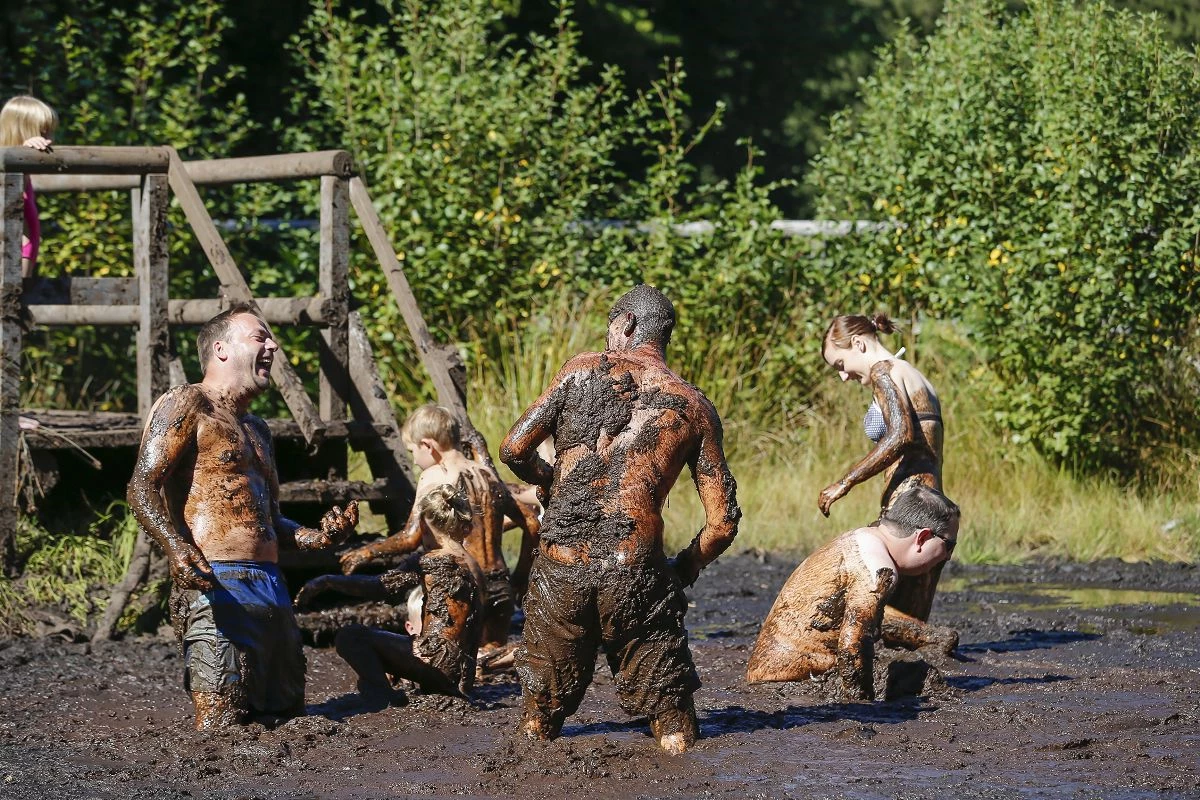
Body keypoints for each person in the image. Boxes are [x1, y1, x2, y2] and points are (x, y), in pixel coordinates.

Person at [500, 284, 741, 754]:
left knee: (539, 712)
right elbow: (723, 522)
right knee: (670, 716)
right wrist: (680, 571)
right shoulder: (692, 405)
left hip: (561, 560)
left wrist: (550, 482)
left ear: (625, 324)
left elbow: (513, 449)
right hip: (633, 565)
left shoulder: (580, 370)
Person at [126, 304, 359, 730]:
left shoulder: (259, 430)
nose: (274, 345)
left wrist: (318, 537)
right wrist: (176, 547)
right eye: (260, 337)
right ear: (221, 349)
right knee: (221, 727)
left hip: (271, 587)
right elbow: (141, 486)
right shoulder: (186, 403)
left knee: (289, 716)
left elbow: (270, 519)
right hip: (217, 584)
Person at [339, 404, 536, 653]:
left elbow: (410, 538)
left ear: (428, 446)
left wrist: (365, 553)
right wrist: (520, 574)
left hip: (463, 583)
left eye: (412, 450)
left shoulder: (434, 476)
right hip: (500, 583)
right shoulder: (486, 473)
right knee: (491, 658)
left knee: (454, 661)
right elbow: (531, 521)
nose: (413, 460)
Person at [747, 485, 960, 700]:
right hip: (789, 682)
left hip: (770, 670)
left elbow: (861, 618)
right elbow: (853, 646)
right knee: (918, 676)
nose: (949, 556)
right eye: (949, 545)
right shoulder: (878, 571)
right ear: (922, 538)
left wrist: (929, 636)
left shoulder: (861, 538)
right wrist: (862, 707)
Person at [817, 313, 950, 639]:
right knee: (909, 632)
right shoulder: (914, 374)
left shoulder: (883, 371)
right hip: (936, 510)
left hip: (909, 507)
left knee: (861, 602)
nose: (843, 376)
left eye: (840, 363)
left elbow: (900, 435)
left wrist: (844, 482)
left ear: (859, 344)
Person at [294, 482, 484, 702]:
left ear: (424, 525)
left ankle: (381, 693)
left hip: (435, 664)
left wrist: (328, 581)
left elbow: (379, 587)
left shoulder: (428, 560)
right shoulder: (474, 564)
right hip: (463, 674)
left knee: (351, 636)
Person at [0, 95, 57, 278]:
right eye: (44, 132)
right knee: (11, 302)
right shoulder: (7, 171)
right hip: (12, 250)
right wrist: (23, 154)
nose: (51, 139)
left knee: (20, 302)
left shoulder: (24, 173)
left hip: (25, 249)